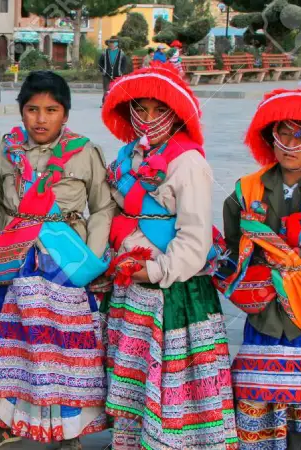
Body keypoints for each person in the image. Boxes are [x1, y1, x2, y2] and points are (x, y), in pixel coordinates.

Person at [0, 71, 116, 450]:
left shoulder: (84, 152)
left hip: (65, 261)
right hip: (21, 259)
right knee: (16, 343)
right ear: (21, 112)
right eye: (32, 109)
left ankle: (70, 430)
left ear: (64, 114)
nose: (40, 118)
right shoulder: (8, 149)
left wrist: (93, 256)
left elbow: (103, 206)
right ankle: (10, 422)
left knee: (65, 347)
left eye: (51, 110)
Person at [100, 64, 237, 449]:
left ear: (176, 112)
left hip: (172, 291)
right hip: (130, 286)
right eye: (138, 110)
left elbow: (193, 237)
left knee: (171, 385)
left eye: (156, 110)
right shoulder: (129, 156)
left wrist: (157, 270)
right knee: (135, 378)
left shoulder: (188, 163)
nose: (146, 119)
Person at [217, 88, 301, 449]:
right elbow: (233, 248)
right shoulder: (246, 191)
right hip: (263, 316)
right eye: (284, 133)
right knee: (256, 400)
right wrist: (249, 280)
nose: (291, 144)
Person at [97, 36, 130, 107]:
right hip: (106, 74)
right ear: (108, 44)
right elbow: (100, 62)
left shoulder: (121, 53)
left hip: (117, 74)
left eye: (113, 42)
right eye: (110, 42)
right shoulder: (104, 53)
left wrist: (121, 71)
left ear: (116, 44)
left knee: (117, 89)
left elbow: (124, 63)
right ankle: (104, 103)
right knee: (106, 89)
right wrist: (102, 70)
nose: (112, 44)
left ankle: (116, 103)